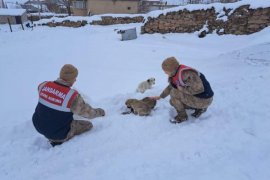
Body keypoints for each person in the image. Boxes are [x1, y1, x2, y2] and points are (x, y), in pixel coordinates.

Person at [32, 64, 105, 146]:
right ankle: (58, 140)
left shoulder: (43, 85)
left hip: (38, 125)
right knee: (88, 125)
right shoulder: (71, 96)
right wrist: (100, 112)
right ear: (70, 79)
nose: (75, 80)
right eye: (74, 78)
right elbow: (88, 113)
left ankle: (52, 131)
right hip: (59, 133)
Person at [151, 57, 214, 123]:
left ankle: (182, 117)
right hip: (199, 98)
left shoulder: (187, 73)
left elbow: (199, 89)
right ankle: (200, 108)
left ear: (171, 69)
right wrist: (160, 96)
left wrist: (182, 89)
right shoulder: (176, 73)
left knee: (174, 93)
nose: (164, 72)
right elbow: (171, 86)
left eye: (166, 70)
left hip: (205, 100)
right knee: (172, 102)